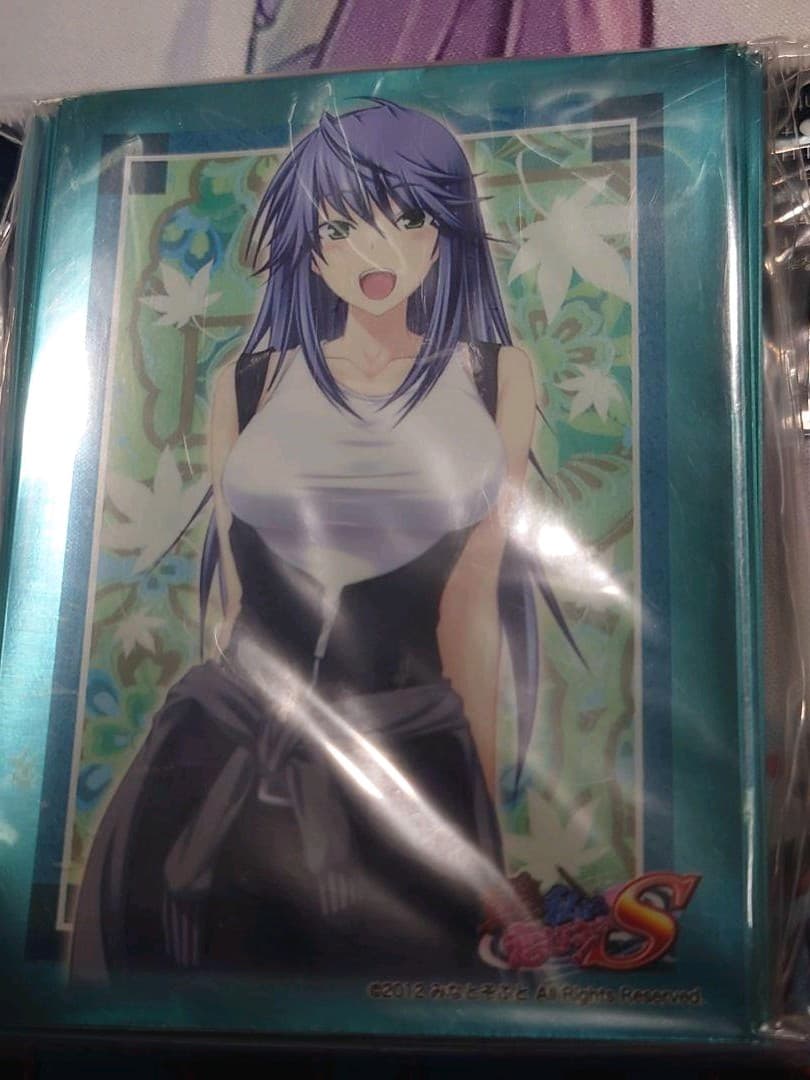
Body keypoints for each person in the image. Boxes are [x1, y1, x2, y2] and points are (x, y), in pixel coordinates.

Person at [70, 100, 542, 980]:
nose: (374, 251)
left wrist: (481, 835)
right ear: (309, 244)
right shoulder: (248, 380)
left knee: (403, 1000)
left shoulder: (491, 375)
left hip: (406, 753)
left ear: (446, 230)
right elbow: (235, 596)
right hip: (219, 750)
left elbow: (473, 605)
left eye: (406, 218)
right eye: (341, 225)